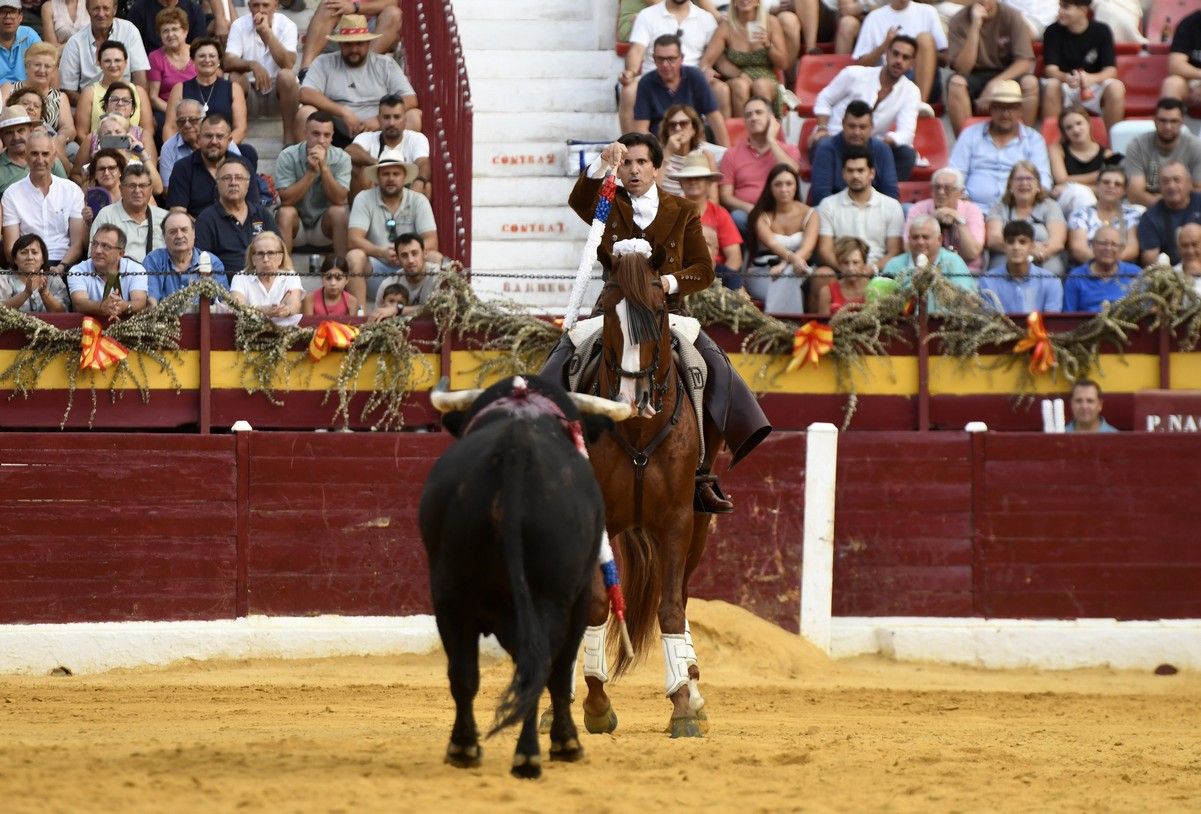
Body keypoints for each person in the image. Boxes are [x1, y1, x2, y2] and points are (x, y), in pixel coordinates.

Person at [547, 132, 773, 514]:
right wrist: (603, 163)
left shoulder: (682, 210)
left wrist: (665, 284)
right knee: (563, 355)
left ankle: (702, 473)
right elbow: (577, 200)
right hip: (611, 311)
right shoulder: (608, 203)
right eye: (628, 164)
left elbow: (703, 270)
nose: (633, 170)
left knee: (712, 364)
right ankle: (551, 453)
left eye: (641, 163)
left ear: (656, 168)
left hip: (668, 311)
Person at [298, 14, 420, 147]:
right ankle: (311, 164)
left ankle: (393, 161)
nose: (354, 49)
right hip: (333, 134)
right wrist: (343, 112)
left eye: (359, 44)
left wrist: (379, 119)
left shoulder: (386, 64)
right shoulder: (324, 62)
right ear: (340, 44)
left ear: (368, 43)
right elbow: (305, 93)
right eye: (348, 44)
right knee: (305, 113)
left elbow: (410, 98)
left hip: (380, 132)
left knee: (414, 116)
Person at [812, 35, 921, 180]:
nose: (899, 61)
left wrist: (882, 142)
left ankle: (886, 199)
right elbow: (824, 99)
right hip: (835, 137)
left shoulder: (911, 91)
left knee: (906, 154)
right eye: (895, 54)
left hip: (870, 146)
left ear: (911, 63)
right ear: (886, 54)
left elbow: (906, 133)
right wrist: (822, 128)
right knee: (823, 144)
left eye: (905, 57)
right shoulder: (854, 74)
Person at [815, 145, 904, 308]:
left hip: (878, 272)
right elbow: (824, 250)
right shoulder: (828, 205)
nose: (855, 175)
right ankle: (818, 330)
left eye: (860, 170)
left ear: (872, 173)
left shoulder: (892, 206)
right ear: (843, 174)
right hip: (841, 268)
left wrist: (871, 269)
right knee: (821, 275)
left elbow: (894, 251)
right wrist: (846, 268)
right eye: (850, 170)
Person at [947, 79, 1050, 213]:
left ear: (1020, 110)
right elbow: (955, 174)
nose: (1005, 114)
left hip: (1019, 211)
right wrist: (964, 199)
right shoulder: (970, 134)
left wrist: (1026, 202)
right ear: (991, 109)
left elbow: (1043, 180)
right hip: (973, 209)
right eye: (1000, 107)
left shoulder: (1034, 139)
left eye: (1011, 108)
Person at [345, 157, 436, 306]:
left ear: (404, 177)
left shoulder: (418, 200)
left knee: (435, 257)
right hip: (377, 267)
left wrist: (405, 253)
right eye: (386, 174)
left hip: (410, 267)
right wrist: (381, 252)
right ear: (378, 177)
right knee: (354, 256)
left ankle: (432, 311)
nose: (391, 178)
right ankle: (359, 316)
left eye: (396, 174)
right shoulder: (364, 198)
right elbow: (353, 239)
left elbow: (432, 241)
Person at [618, 0, 719, 133]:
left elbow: (713, 54)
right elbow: (637, 50)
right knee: (629, 91)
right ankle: (631, 148)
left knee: (721, 89)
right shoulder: (647, 15)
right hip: (653, 79)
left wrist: (708, 68)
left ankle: (725, 149)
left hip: (693, 81)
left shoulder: (706, 19)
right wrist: (630, 71)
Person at [945, 0, 1037, 135]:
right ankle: (966, 145)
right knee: (956, 84)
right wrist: (975, 26)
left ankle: (1025, 141)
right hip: (974, 74)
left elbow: (1024, 61)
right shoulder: (958, 20)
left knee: (1031, 82)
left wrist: (994, 84)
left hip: (1006, 73)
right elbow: (962, 69)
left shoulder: (1012, 16)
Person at [1, 130, 86, 272]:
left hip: (65, 263)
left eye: (45, 154)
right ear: (26, 157)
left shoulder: (72, 190)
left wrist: (61, 267)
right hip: (27, 264)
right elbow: (11, 248)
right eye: (34, 154)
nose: (40, 160)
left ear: (54, 157)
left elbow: (77, 244)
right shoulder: (12, 194)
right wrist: (30, 266)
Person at [223, 0, 300, 146]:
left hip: (278, 96)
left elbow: (288, 63)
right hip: (250, 94)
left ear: (275, 6)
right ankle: (238, 132)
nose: (260, 10)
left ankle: (289, 136)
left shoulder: (288, 25)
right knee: (234, 77)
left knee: (287, 76)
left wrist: (267, 33)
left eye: (266, 5)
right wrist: (252, 65)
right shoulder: (239, 25)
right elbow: (227, 61)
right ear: (249, 6)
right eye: (255, 5)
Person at [274, 111, 350, 259]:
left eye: (326, 135)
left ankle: (342, 269)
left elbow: (339, 199)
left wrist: (324, 168)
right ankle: (284, 273)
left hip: (323, 226)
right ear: (305, 133)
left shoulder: (342, 158)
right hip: (297, 226)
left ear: (332, 137)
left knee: (339, 212)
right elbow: (286, 200)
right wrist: (311, 172)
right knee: (285, 213)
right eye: (316, 134)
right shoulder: (288, 155)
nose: (321, 140)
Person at [719, 94, 799, 231]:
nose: (753, 118)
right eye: (748, 115)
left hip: (781, 211)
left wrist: (772, 141)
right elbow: (725, 196)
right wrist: (749, 208)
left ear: (771, 118)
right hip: (747, 214)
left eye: (759, 113)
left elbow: (793, 172)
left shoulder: (788, 150)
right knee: (737, 217)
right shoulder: (731, 154)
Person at [1041, 0, 1125, 131]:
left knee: (1116, 88)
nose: (1060, 12)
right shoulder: (1052, 31)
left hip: (1093, 86)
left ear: (1083, 10)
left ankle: (1111, 141)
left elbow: (1111, 70)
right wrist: (1066, 77)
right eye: (1060, 7)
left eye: (1066, 7)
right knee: (1051, 85)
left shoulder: (1102, 30)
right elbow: (1050, 70)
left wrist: (1091, 78)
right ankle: (1053, 142)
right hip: (1065, 86)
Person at [747, 163, 819, 313]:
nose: (784, 189)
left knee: (789, 275)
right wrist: (789, 263)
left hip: (801, 269)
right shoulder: (761, 216)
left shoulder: (810, 214)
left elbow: (808, 247)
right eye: (778, 184)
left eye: (789, 184)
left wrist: (786, 264)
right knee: (787, 278)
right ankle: (790, 329)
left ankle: (781, 328)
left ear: (796, 186)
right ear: (770, 188)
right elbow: (773, 244)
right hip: (765, 271)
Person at [698, 0, 787, 120]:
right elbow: (706, 62)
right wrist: (709, 70)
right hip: (737, 76)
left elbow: (783, 64)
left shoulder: (770, 22)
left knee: (761, 85)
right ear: (734, 2)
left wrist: (768, 45)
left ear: (758, 2)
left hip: (766, 76)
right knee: (741, 86)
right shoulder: (726, 26)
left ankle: (766, 130)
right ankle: (742, 133)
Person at [669, 150, 742, 291]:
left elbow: (735, 256)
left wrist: (718, 285)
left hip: (715, 275)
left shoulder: (720, 214)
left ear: (709, 183)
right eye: (688, 178)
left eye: (699, 177)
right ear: (681, 183)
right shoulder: (670, 212)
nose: (693, 181)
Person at [636, 34, 728, 146]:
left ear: (681, 58)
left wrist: (726, 151)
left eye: (671, 59)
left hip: (695, 144)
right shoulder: (646, 83)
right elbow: (641, 130)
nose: (665, 64)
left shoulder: (695, 76)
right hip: (661, 146)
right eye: (660, 59)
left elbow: (714, 116)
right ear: (654, 59)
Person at [193, 155, 279, 273]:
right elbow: (202, 265)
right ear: (217, 184)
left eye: (239, 178)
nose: (233, 182)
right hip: (226, 287)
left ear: (248, 183)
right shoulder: (206, 219)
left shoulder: (263, 215)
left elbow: (280, 253)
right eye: (227, 178)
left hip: (264, 284)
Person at [851, 0, 945, 103]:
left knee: (925, 39)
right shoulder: (874, 17)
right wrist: (885, 46)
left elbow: (945, 58)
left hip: (920, 79)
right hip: (886, 79)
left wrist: (922, 53)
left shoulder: (928, 12)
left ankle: (919, 106)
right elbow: (861, 65)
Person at [985, 161, 1068, 278]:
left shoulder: (1051, 206)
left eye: (1029, 179)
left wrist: (1035, 252)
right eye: (1019, 179)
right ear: (1010, 186)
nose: (1024, 183)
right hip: (1005, 269)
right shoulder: (999, 207)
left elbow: (1057, 242)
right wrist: (1026, 250)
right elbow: (993, 239)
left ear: (1039, 186)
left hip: (1044, 266)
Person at [58, 0, 150, 105]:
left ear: (114, 9)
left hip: (126, 104)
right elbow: (68, 90)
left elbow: (140, 77)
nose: (101, 14)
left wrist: (130, 105)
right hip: (89, 106)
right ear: (88, 10)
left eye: (106, 8)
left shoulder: (129, 31)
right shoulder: (75, 42)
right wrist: (99, 107)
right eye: (96, 8)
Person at [808, 100, 900, 204]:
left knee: (904, 210)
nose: (857, 132)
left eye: (862, 127)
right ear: (843, 124)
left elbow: (891, 193)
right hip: (834, 212)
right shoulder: (826, 149)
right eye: (852, 126)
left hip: (874, 212)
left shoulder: (882, 150)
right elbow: (821, 194)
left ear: (871, 127)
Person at [166, 113, 255, 219]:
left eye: (220, 136)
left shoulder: (243, 166)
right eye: (208, 136)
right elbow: (177, 213)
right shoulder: (182, 168)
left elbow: (253, 208)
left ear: (229, 140)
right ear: (198, 139)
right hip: (197, 231)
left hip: (237, 230)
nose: (214, 141)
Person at [163, 37, 247, 146]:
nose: (207, 60)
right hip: (188, 151)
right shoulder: (179, 89)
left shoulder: (234, 89)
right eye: (202, 56)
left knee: (249, 153)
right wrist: (172, 149)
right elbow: (170, 127)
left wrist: (220, 147)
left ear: (218, 61)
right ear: (193, 60)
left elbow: (240, 128)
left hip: (224, 150)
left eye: (212, 56)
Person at [345, 93, 431, 199]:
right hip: (373, 197)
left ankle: (411, 215)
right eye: (386, 117)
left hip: (406, 196)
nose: (391, 123)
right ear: (379, 120)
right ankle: (364, 214)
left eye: (397, 117)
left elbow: (423, 163)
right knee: (360, 169)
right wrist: (379, 164)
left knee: (426, 186)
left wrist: (420, 180)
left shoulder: (417, 138)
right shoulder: (367, 137)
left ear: (405, 119)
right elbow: (350, 150)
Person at [1, 43, 76, 163]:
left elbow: (69, 128)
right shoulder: (9, 88)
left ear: (54, 70)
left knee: (74, 149)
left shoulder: (60, 97)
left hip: (49, 144)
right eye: (37, 65)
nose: (42, 70)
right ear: (26, 67)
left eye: (47, 66)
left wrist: (58, 140)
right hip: (13, 142)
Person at [883, 214, 976, 311]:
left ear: (939, 239)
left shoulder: (953, 261)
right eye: (915, 237)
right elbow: (882, 303)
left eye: (925, 237)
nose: (920, 242)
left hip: (945, 323)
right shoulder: (894, 265)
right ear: (909, 240)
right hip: (903, 324)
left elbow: (968, 302)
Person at [904, 166, 985, 276]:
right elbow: (908, 248)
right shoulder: (918, 209)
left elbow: (972, 253)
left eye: (947, 188)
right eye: (937, 187)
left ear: (960, 192)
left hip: (965, 272)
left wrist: (958, 220)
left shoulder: (972, 210)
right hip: (924, 272)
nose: (941, 192)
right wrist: (931, 221)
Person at [1123, 98, 1201, 209]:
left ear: (1182, 122)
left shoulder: (1196, 147)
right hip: (1147, 208)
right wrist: (1167, 205)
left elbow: (1199, 190)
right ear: (1154, 121)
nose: (1168, 126)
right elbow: (1135, 194)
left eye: (1173, 121)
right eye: (1163, 120)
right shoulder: (1137, 146)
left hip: (1186, 209)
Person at [144, 209, 228, 305]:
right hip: (165, 320)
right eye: (172, 232)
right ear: (164, 237)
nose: (179, 235)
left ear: (194, 234)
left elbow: (224, 303)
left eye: (184, 230)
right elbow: (151, 302)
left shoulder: (212, 262)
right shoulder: (154, 260)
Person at [66, 223, 149, 319]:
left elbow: (140, 302)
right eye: (94, 244)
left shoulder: (136, 269)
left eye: (105, 246)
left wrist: (124, 306)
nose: (97, 250)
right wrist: (102, 307)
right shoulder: (77, 270)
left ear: (120, 253)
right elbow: (79, 303)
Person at [75, 43, 155, 142]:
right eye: (107, 61)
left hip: (134, 151)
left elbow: (148, 129)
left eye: (117, 60)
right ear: (99, 63)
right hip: (98, 152)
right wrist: (108, 148)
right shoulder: (89, 93)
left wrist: (130, 149)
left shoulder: (139, 92)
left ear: (125, 62)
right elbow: (81, 133)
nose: (113, 65)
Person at [978, 220, 1062, 313]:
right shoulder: (987, 280)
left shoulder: (1050, 281)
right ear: (1004, 246)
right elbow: (989, 322)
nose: (1016, 247)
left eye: (1022, 242)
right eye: (1010, 242)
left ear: (1032, 246)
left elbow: (1051, 322)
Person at [90, 163, 167, 263]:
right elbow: (95, 257)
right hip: (119, 276)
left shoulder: (164, 217)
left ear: (151, 190)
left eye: (143, 186)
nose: (137, 191)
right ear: (121, 189)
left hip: (159, 276)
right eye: (132, 186)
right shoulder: (106, 216)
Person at [71, 111, 162, 196]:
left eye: (118, 132)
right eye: (107, 133)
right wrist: (95, 164)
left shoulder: (136, 165)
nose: (113, 136)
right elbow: (89, 196)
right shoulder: (90, 168)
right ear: (100, 140)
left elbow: (157, 190)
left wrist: (142, 155)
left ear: (127, 136)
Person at [1048, 106, 1115, 219]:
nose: (1076, 130)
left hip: (1097, 206)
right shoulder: (1057, 149)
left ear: (1089, 123)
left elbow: (1108, 191)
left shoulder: (1108, 155)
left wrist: (1069, 184)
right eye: (1069, 128)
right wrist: (1097, 176)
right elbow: (1061, 179)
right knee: (1078, 193)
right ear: (1064, 133)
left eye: (1079, 123)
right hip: (1065, 205)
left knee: (1081, 193)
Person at [298, 0, 402, 73]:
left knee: (393, 13)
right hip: (342, 32)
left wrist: (355, 7)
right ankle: (305, 71)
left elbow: (393, 2)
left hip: (374, 33)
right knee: (329, 4)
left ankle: (362, 70)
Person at [1067, 166, 1141, 265]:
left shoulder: (1132, 215)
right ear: (1097, 185)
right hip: (1087, 270)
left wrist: (1110, 265)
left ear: (1124, 191)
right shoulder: (1081, 213)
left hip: (1122, 272)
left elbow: (1132, 248)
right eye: (1106, 182)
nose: (1111, 186)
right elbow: (1078, 249)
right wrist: (1101, 265)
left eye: (1117, 184)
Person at [229, 230, 303, 328]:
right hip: (248, 333)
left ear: (280, 258)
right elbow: (238, 307)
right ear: (253, 259)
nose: (266, 259)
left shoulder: (291, 276)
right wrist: (263, 310)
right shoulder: (240, 277)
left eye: (271, 253)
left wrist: (286, 310)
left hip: (283, 332)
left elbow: (295, 306)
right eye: (260, 254)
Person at [1136, 161, 1201, 267]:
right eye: (1165, 181)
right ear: (1159, 187)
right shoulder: (1150, 218)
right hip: (1175, 274)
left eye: (1177, 180)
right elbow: (1150, 261)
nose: (1171, 186)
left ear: (1189, 183)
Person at [1062, 225, 1138, 313]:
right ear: (1092, 245)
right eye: (1103, 243)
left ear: (1121, 249)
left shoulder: (1135, 273)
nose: (1108, 248)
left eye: (1114, 244)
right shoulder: (1075, 277)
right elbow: (1068, 316)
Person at [0, 104, 69, 197]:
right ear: (2, 137)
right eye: (9, 133)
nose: (16, 137)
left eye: (21, 130)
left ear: (31, 130)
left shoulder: (49, 160)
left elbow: (67, 193)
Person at [368, 232, 443, 316]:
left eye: (414, 253)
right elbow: (377, 317)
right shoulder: (388, 284)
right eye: (404, 255)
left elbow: (440, 307)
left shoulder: (440, 276)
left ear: (425, 254)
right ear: (398, 258)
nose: (410, 260)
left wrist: (397, 309)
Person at [145, 7, 197, 131]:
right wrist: (176, 112)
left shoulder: (197, 53)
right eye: (165, 31)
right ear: (160, 35)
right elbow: (153, 97)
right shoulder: (155, 57)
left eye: (175, 29)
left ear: (185, 31)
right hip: (167, 108)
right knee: (163, 122)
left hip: (197, 108)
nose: (170, 35)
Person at [656, 103, 721, 198]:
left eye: (683, 123)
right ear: (667, 130)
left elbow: (713, 199)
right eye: (672, 125)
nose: (678, 128)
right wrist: (668, 153)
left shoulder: (705, 156)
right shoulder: (657, 155)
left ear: (694, 129)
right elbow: (652, 194)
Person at [0, 233, 67, 312]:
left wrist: (45, 294)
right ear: (15, 259)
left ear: (43, 259)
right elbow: (1, 309)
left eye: (34, 252)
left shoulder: (53, 279)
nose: (30, 257)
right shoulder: (3, 278)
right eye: (23, 253)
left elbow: (63, 312)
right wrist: (26, 293)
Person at [816, 235, 872, 315]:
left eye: (855, 263)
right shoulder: (827, 292)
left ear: (864, 263)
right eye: (845, 263)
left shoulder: (875, 289)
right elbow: (823, 325)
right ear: (839, 264)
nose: (850, 268)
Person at [125, 0, 206, 52]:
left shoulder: (194, 10)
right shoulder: (138, 9)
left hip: (188, 63)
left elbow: (199, 46)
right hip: (149, 66)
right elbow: (131, 47)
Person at [1161, 9, 1201, 107]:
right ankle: (1169, 121)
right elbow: (1175, 65)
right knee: (1172, 84)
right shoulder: (1190, 23)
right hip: (1195, 78)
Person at [0, 0, 39, 86]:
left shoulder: (29, 35)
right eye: (2, 11)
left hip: (28, 92)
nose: (8, 16)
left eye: (13, 11)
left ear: (20, 17)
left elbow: (45, 64)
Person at [80, 146, 125, 220]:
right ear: (95, 174)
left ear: (120, 171)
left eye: (111, 168)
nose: (106, 173)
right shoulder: (88, 193)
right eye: (101, 169)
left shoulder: (134, 190)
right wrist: (86, 222)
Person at [1174, 222, 1201, 296]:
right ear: (1178, 248)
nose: (1190, 251)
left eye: (1195, 244)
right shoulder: (1171, 275)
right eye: (1185, 246)